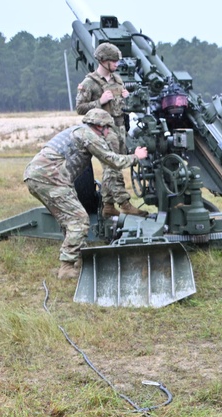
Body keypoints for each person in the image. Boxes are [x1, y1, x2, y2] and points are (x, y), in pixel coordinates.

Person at [23, 109, 149, 280]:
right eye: (107, 129)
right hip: (51, 179)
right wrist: (136, 156)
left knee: (68, 221)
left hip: (36, 176)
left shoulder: (76, 131)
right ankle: (67, 267)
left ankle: (79, 261)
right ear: (100, 126)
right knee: (78, 220)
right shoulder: (89, 135)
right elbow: (112, 160)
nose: (108, 132)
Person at [74, 42, 147, 219]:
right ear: (103, 61)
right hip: (103, 131)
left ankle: (108, 205)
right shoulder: (89, 83)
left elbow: (121, 106)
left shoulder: (117, 80)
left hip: (119, 128)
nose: (117, 64)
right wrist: (100, 101)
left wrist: (126, 99)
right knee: (112, 166)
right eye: (114, 61)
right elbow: (80, 108)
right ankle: (124, 203)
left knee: (112, 166)